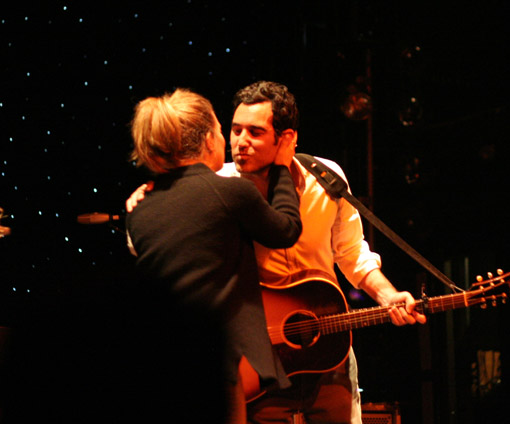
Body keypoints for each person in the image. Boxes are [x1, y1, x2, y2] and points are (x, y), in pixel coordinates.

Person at [126, 81, 426, 424]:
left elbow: (351, 251)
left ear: (286, 139)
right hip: (255, 363)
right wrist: (150, 195)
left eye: (254, 132)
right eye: (235, 130)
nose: (240, 142)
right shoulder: (218, 186)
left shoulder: (326, 178)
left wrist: (386, 294)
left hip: (324, 350)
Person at [124, 88, 303, 423]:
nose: (231, 141)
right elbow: (286, 230)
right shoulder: (229, 192)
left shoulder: (140, 212)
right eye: (226, 131)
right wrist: (280, 169)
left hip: (153, 357)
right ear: (208, 139)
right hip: (209, 363)